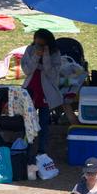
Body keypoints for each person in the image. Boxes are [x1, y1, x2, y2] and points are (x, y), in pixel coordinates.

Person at [19, 28, 76, 157]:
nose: (38, 46)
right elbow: (27, 70)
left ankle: (42, 150)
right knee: (27, 121)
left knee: (44, 122)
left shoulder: (55, 53)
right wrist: (36, 56)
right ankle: (26, 147)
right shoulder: (30, 50)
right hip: (31, 88)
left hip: (46, 90)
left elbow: (52, 73)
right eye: (36, 43)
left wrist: (45, 56)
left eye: (42, 44)